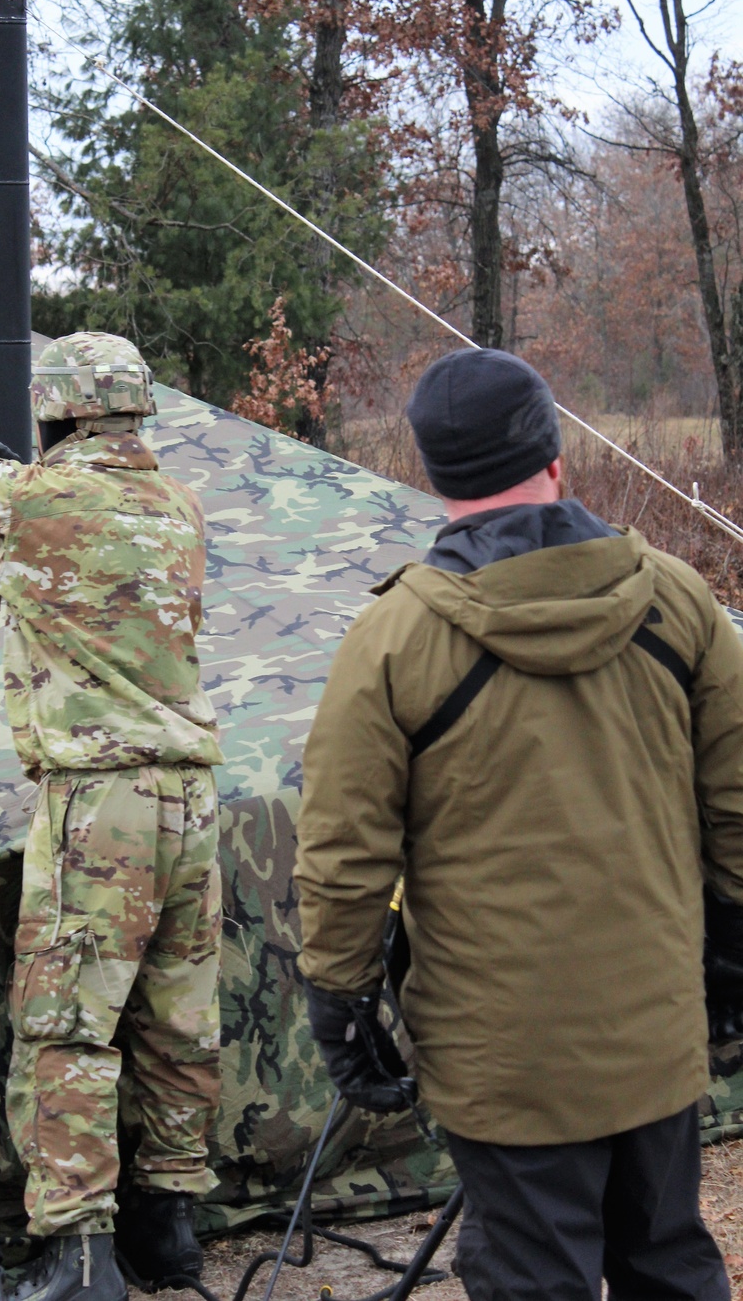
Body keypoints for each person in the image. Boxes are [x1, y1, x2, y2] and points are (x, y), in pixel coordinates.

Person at [293, 347, 743, 1301]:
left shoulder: (394, 640)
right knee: (668, 1257)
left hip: (504, 1058)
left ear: (430, 470)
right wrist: (732, 952)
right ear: (555, 449)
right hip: (656, 1030)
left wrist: (339, 998)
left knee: (536, 1277)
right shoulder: (679, 601)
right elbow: (739, 806)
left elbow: (344, 851)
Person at [0, 332, 224, 1301]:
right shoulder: (181, 507)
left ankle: (77, 1256)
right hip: (193, 799)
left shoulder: (34, 504)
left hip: (101, 805)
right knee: (174, 1022)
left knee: (68, 1028)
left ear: (59, 413)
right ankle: (168, 1230)